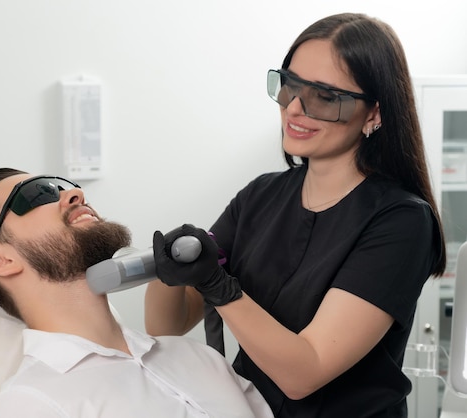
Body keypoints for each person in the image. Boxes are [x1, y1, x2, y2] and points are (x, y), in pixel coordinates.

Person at [144, 13, 446, 418]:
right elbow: (167, 326)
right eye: (290, 86)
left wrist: (220, 287)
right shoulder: (260, 195)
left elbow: (305, 372)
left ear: (374, 113)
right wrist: (170, 272)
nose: (296, 109)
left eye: (324, 96)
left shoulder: (401, 221)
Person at [0, 167, 273, 418]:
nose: (75, 192)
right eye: (35, 194)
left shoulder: (198, 358)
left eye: (62, 184)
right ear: (2, 260)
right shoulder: (27, 406)